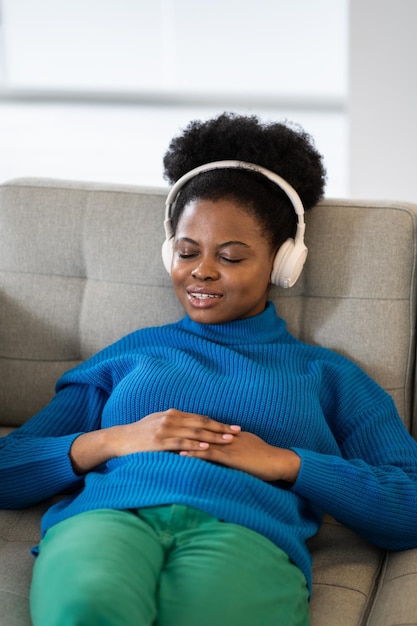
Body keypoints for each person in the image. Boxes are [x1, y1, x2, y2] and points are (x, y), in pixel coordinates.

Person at [1, 112, 417, 626]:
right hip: (106, 521)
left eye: (232, 256)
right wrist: (112, 440)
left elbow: (410, 502)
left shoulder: (329, 375)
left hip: (247, 535)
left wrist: (286, 463)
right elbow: (6, 466)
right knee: (87, 609)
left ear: (283, 261)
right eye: (187, 251)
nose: (202, 270)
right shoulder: (131, 354)